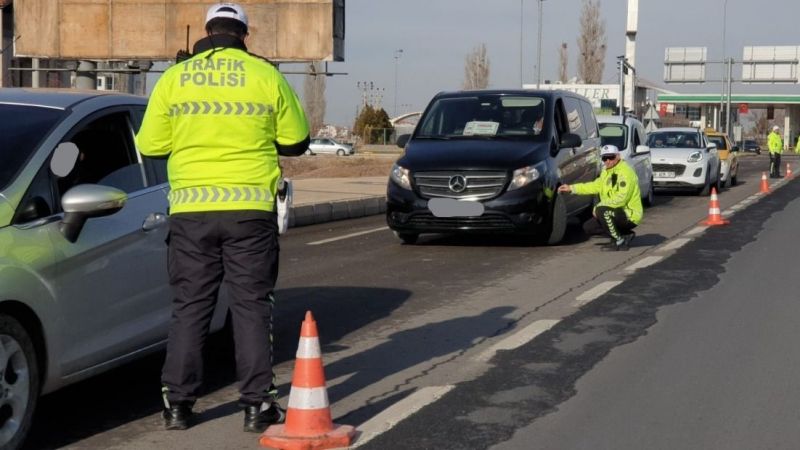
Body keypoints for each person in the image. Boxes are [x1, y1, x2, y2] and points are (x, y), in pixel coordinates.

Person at [135, 2, 310, 433]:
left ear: (208, 32)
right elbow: (297, 140)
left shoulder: (175, 78)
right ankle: (257, 406)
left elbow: (151, 145)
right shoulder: (265, 75)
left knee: (190, 308)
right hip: (250, 210)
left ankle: (178, 405)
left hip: (192, 211)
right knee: (252, 307)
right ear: (244, 35)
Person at [558, 144, 643, 251]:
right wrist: (571, 188)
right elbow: (594, 186)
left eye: (611, 157)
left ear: (618, 157)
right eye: (604, 158)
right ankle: (624, 235)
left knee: (602, 211)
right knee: (588, 227)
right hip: (616, 212)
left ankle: (619, 242)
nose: (607, 161)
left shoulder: (625, 173)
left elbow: (622, 198)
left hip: (629, 215)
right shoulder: (606, 172)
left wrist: (598, 207)